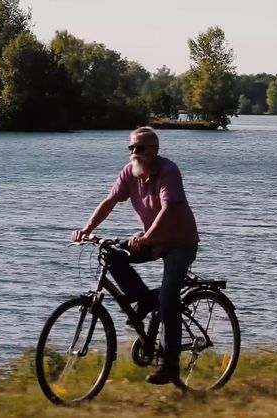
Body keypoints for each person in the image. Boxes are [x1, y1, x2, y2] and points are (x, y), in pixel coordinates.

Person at [72, 126, 199, 385]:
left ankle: (170, 366)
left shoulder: (168, 171)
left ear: (154, 150)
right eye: (130, 148)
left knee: (168, 298)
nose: (133, 153)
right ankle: (143, 300)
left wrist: (147, 238)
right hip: (151, 241)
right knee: (111, 254)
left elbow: (168, 210)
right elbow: (109, 201)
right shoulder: (130, 172)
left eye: (139, 148)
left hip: (179, 243)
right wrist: (86, 230)